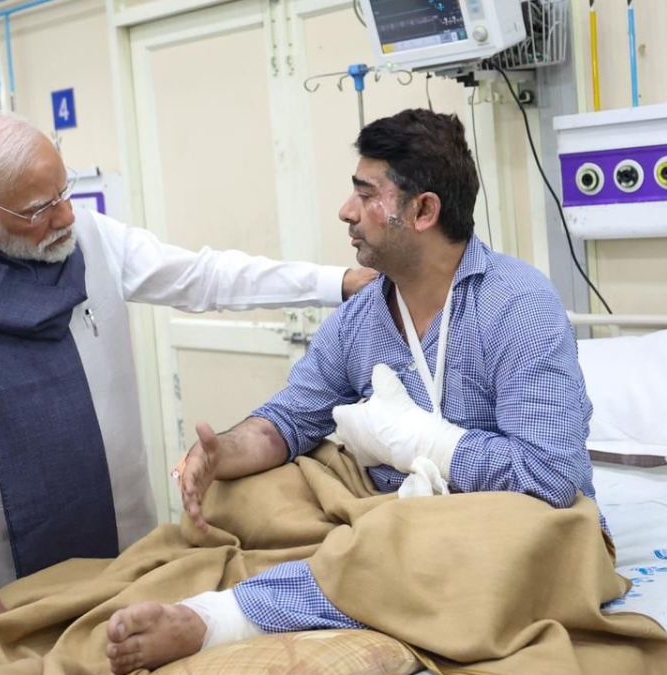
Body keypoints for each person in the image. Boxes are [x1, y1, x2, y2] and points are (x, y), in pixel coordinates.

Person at [0, 111, 378, 657]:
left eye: (64, 191)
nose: (63, 217)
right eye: (38, 209)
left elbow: (203, 275)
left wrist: (334, 282)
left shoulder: (88, 240)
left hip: (123, 535)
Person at [104, 108, 595, 673]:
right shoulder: (360, 317)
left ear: (423, 210)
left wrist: (426, 442)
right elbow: (291, 420)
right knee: (247, 494)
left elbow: (555, 479)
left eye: (365, 194)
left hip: (495, 526)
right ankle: (345, 569)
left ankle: (219, 618)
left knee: (419, 538)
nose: (347, 211)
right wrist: (219, 455)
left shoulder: (518, 304)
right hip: (384, 514)